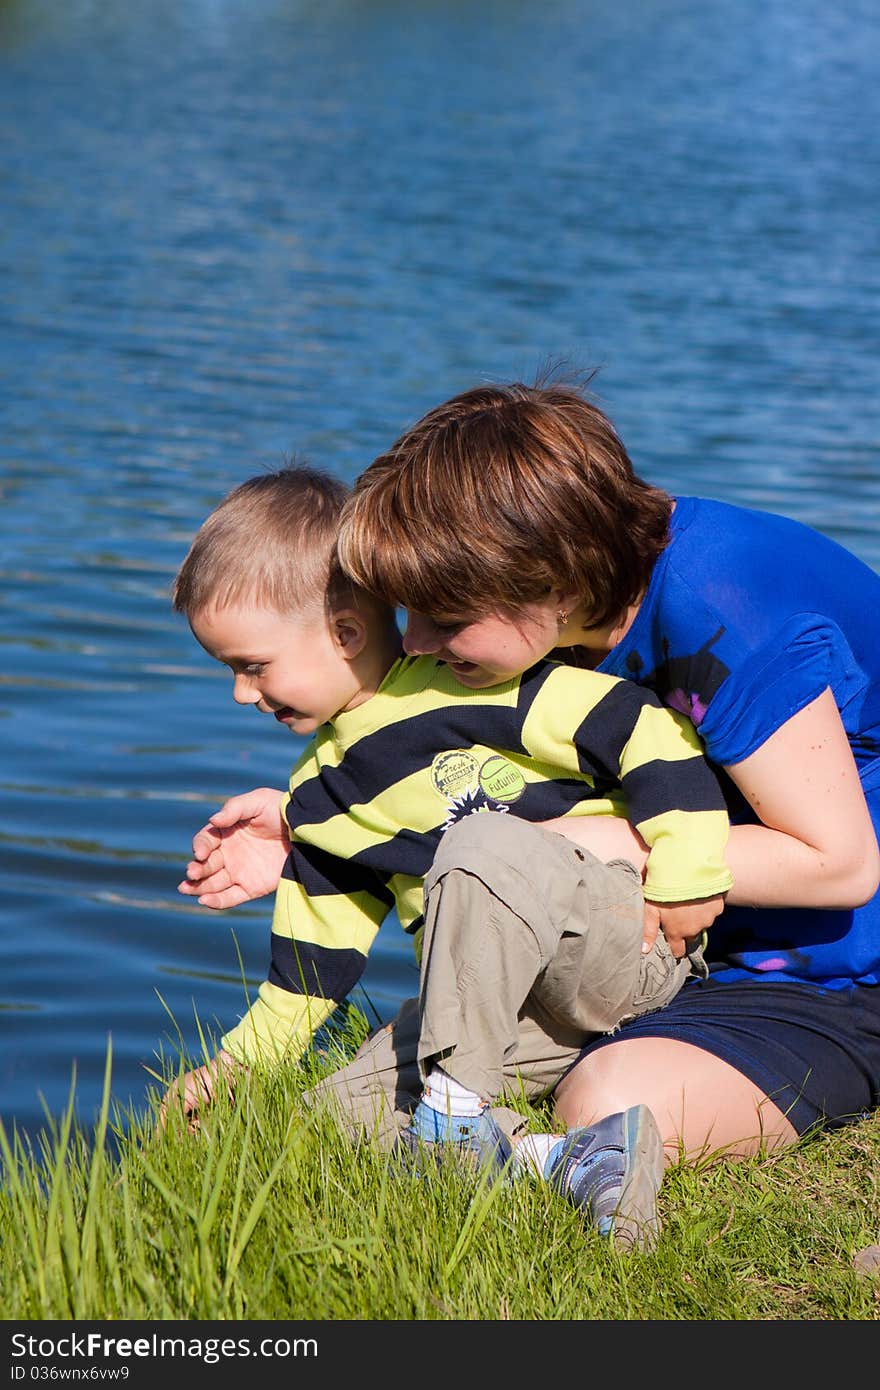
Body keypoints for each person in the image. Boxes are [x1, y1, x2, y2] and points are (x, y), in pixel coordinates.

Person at [334, 371, 880, 1198]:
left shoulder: (718, 602)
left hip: (835, 969)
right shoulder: (572, 600)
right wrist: (307, 825)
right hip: (681, 940)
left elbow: (839, 863)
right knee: (352, 1112)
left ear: (553, 582)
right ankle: (476, 1143)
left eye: (445, 616)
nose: (413, 642)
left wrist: (572, 842)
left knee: (607, 1099)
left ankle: (498, 1156)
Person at [163, 461, 732, 1250]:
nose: (240, 694)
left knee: (476, 846)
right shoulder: (323, 799)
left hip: (614, 946)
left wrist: (690, 872)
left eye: (250, 667)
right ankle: (574, 1159)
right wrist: (234, 1070)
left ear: (345, 633)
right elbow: (308, 969)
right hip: (506, 1014)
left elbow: (646, 733)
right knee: (330, 1119)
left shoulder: (477, 685)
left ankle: (455, 1120)